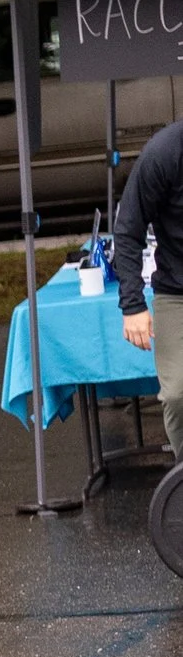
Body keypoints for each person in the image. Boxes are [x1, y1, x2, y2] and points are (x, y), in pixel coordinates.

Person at [113, 116, 183, 456]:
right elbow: (127, 230)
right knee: (178, 395)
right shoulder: (165, 152)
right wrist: (133, 305)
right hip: (177, 293)